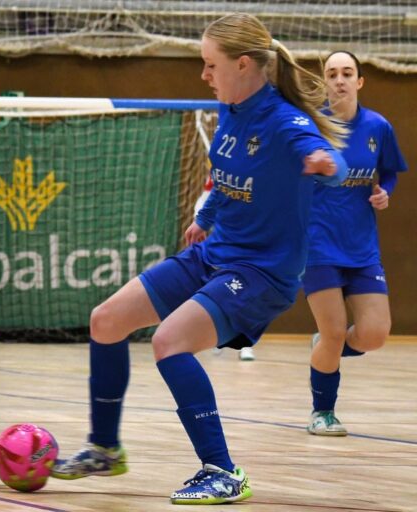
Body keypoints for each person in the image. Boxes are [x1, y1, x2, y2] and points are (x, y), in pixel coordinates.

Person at [51, 13, 348, 505]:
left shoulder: (284, 121)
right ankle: (104, 449)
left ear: (245, 64)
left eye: (211, 65)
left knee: (169, 342)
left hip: (261, 273)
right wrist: (206, 215)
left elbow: (327, 161)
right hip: (214, 254)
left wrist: (326, 165)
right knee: (105, 321)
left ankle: (223, 470)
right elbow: (224, 172)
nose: (204, 75)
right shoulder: (231, 107)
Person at [303, 51, 407, 436]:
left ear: (360, 81)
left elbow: (390, 172)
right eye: (332, 73)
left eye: (347, 73)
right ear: (324, 82)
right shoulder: (310, 127)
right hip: (317, 245)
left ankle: (325, 349)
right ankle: (322, 413)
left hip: (362, 247)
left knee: (375, 334)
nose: (340, 79)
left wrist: (385, 193)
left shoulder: (378, 127)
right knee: (333, 332)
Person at [194, 177, 256, 361]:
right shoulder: (219, 174)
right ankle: (215, 336)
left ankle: (245, 346)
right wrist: (203, 221)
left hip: (251, 243)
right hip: (223, 243)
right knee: (218, 291)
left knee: (248, 293)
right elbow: (204, 201)